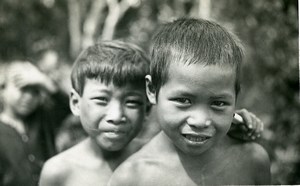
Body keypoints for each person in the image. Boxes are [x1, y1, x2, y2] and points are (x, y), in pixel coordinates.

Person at [39, 40, 264, 186]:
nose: (117, 116)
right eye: (101, 100)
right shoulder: (58, 172)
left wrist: (233, 122)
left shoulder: (161, 155)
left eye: (132, 102)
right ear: (76, 103)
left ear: (149, 104)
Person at [108, 18, 271, 186]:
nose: (200, 121)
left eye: (219, 103)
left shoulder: (252, 161)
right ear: (152, 90)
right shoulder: (132, 178)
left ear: (236, 97)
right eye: (183, 100)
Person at [0, 61, 60, 186]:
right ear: (2, 89)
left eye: (35, 91)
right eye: (23, 89)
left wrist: (43, 81)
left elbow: (69, 108)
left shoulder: (43, 118)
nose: (29, 97)